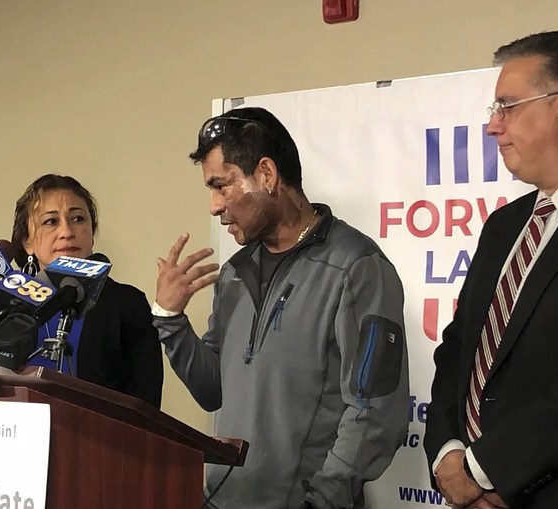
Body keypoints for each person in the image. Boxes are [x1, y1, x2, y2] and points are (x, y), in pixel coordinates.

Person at [152, 107, 409, 509]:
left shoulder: (356, 267)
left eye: (222, 186)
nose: (213, 206)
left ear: (267, 175)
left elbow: (375, 413)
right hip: (221, 500)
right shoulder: (236, 272)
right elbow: (213, 391)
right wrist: (170, 320)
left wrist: (322, 501)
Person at [424, 29, 558, 509]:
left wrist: (485, 470)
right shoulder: (505, 225)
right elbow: (460, 347)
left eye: (508, 106)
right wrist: (446, 454)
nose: (492, 127)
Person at [11, 174, 163, 408]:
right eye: (51, 221)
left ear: (91, 233)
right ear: (27, 242)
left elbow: (146, 407)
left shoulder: (127, 304)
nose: (67, 231)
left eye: (78, 219)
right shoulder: (7, 307)